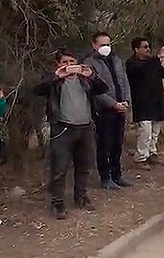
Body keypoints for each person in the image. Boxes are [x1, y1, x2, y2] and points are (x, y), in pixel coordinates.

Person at [33, 50, 108, 219]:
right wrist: (55, 76)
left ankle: (80, 196)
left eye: (72, 61)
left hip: (85, 128)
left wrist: (92, 76)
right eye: (65, 62)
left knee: (84, 165)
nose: (69, 65)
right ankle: (57, 203)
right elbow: (36, 90)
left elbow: (104, 89)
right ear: (58, 64)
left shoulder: (85, 81)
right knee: (59, 168)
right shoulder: (55, 82)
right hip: (63, 129)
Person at [84, 32, 133, 190]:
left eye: (108, 44)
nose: (105, 47)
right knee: (105, 144)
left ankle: (117, 175)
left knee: (117, 144)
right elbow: (94, 91)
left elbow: (124, 81)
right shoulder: (89, 64)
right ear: (94, 45)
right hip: (104, 111)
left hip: (121, 108)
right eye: (102, 44)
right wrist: (112, 104)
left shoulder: (116, 60)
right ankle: (105, 177)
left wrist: (126, 100)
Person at [125, 37, 164, 165]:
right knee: (145, 131)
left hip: (157, 99)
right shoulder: (132, 63)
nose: (148, 49)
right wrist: (157, 58)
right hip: (142, 102)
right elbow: (142, 71)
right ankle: (141, 157)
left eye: (148, 47)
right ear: (136, 49)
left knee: (155, 131)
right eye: (145, 47)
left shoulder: (152, 62)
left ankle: (152, 153)